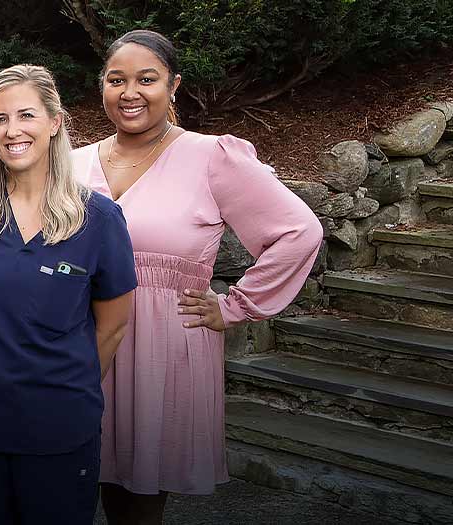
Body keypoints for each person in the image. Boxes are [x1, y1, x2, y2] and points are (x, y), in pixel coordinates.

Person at [77, 30, 322, 525]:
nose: (130, 93)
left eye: (147, 79)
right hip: (84, 336)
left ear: (174, 86)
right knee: (86, 475)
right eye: (117, 80)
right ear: (101, 86)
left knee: (142, 493)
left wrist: (236, 305)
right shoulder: (72, 162)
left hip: (162, 342)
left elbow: (299, 230)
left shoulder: (212, 156)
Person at [0, 64, 136, 524]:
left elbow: (114, 323)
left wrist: (62, 380)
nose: (12, 131)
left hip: (59, 427)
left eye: (26, 115)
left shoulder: (98, 219)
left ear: (54, 122)